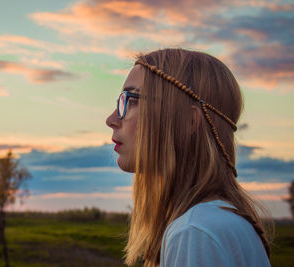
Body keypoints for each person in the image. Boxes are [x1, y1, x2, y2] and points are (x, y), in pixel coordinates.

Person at [106, 48, 272, 267]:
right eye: (121, 101)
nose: (111, 119)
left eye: (133, 101)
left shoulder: (194, 232)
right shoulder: (226, 221)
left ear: (189, 121)